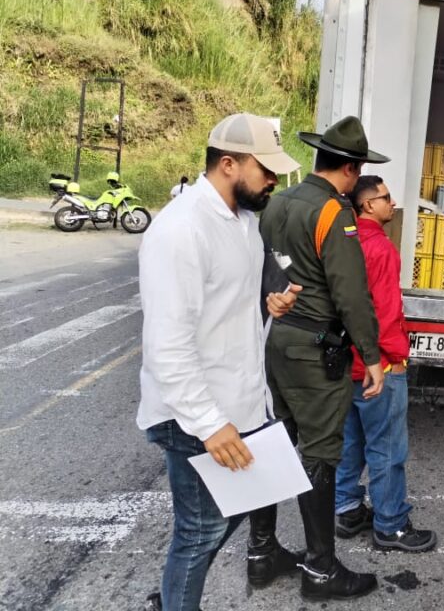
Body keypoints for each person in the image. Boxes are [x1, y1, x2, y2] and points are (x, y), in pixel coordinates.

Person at [137, 113, 302, 611]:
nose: (273, 180)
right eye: (265, 169)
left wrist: (267, 305)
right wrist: (210, 424)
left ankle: (171, 596)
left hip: (241, 403)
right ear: (228, 163)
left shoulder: (245, 222)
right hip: (195, 413)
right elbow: (168, 342)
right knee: (198, 532)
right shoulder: (181, 230)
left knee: (232, 510)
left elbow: (230, 304)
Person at [258, 116, 389, 602]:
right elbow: (351, 294)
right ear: (352, 170)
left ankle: (261, 552)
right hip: (317, 350)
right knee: (318, 454)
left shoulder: (277, 204)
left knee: (273, 444)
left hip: (276, 340)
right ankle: (320, 570)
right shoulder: (336, 213)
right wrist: (372, 357)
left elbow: (262, 269)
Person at [333, 175, 437, 552]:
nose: (391, 203)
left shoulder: (343, 243)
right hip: (378, 366)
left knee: (349, 442)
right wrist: (394, 358)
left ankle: (345, 509)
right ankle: (390, 524)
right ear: (367, 206)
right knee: (387, 448)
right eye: (385, 197)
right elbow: (385, 312)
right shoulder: (380, 248)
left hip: (346, 364)